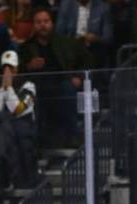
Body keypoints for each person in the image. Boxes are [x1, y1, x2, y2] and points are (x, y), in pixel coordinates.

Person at [20, 7, 92, 147]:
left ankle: (73, 137)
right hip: (37, 87)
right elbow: (19, 72)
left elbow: (88, 60)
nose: (43, 25)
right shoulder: (26, 47)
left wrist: (78, 77)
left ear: (52, 23)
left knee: (68, 90)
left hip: (61, 84)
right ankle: (37, 144)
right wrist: (29, 67)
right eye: (39, 22)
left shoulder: (66, 42)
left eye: (46, 21)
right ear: (34, 25)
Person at [0, 50, 38, 188]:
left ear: (17, 68)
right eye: (5, 68)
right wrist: (3, 89)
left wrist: (9, 87)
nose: (8, 72)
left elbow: (17, 109)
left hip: (23, 127)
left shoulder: (28, 85)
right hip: (3, 128)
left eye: (11, 68)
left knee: (20, 134)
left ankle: (26, 181)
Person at [55, 0, 114, 67]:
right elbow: (58, 34)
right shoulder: (66, 5)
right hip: (71, 51)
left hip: (94, 51)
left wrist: (96, 38)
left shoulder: (103, 7)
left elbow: (108, 38)